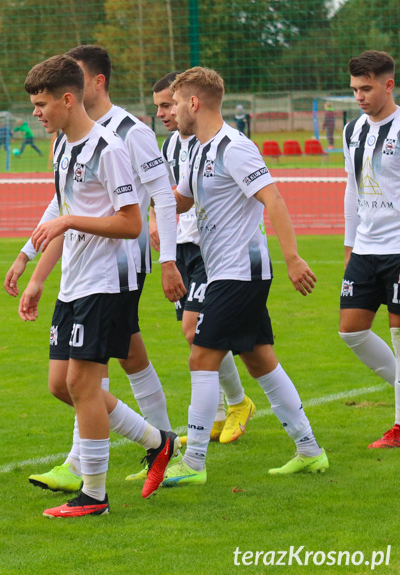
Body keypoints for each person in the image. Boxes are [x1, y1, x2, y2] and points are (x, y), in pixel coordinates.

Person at [5, 44, 184, 491]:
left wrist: (168, 260)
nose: (38, 113)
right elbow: (63, 205)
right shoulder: (65, 144)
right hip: (78, 272)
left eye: (43, 103)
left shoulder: (126, 134)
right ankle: (159, 442)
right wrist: (32, 261)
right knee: (91, 372)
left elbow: (154, 200)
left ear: (86, 86)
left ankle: (89, 479)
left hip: (117, 271)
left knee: (88, 377)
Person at [164, 66, 327, 487]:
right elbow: (181, 200)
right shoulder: (197, 149)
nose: (173, 109)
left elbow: (273, 200)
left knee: (201, 356)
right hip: (226, 271)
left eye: (177, 101)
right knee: (260, 360)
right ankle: (310, 451)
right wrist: (137, 190)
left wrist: (292, 258)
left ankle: (194, 463)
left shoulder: (234, 148)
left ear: (194, 103)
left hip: (241, 273)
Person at [151, 71, 255, 446]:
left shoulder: (215, 142)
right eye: (159, 107)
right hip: (182, 249)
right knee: (204, 334)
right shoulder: (169, 147)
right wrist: (151, 219)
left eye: (168, 104)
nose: (164, 113)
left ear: (188, 102)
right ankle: (219, 413)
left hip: (216, 252)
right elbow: (166, 195)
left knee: (196, 332)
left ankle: (236, 404)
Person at [339, 50, 400, 449]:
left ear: (388, 84)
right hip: (364, 249)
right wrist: (348, 246)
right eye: (355, 89)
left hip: (398, 250)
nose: (359, 96)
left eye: (366, 88)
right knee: (351, 331)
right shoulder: (352, 131)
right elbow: (352, 189)